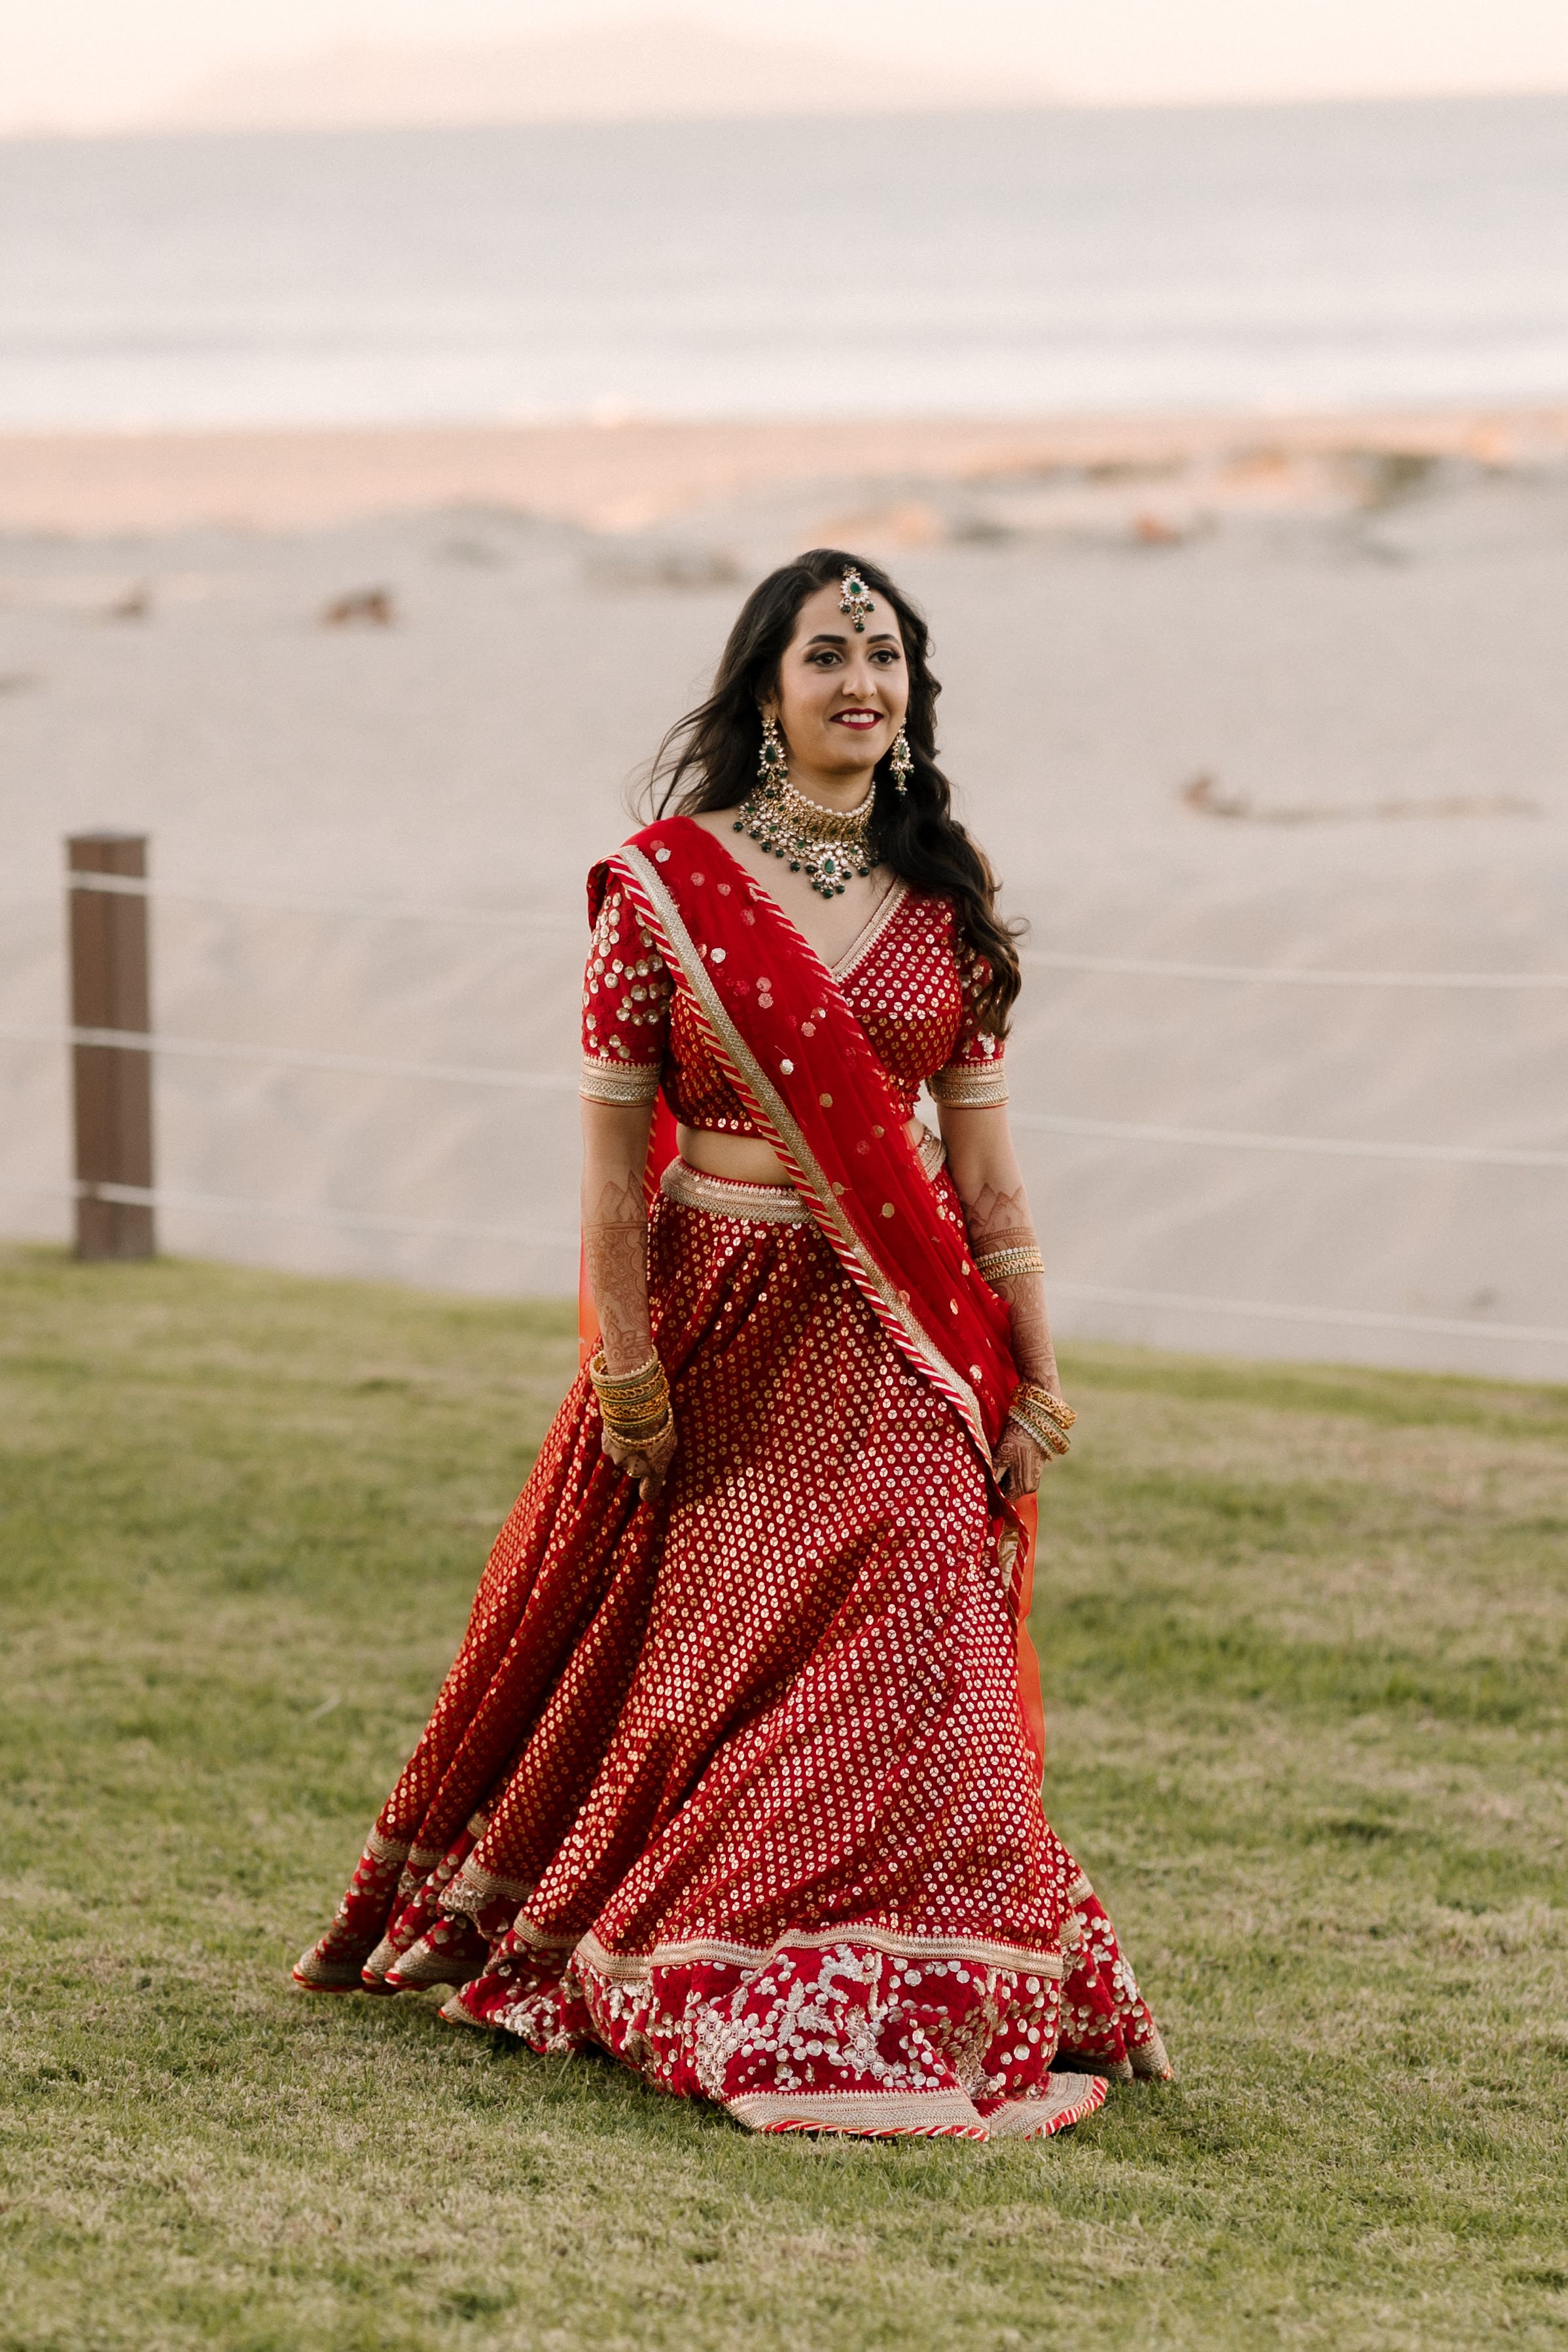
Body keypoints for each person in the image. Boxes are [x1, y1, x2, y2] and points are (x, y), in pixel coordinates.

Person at [293, 548, 1171, 2139]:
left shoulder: (943, 890)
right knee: (727, 1658)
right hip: (720, 1326)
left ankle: (942, 1980)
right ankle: (727, 1957)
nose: (862, 683)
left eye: (887, 656)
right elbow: (612, 1178)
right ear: (764, 684)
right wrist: (626, 1371)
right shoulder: (663, 889)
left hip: (899, 1333)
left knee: (932, 1634)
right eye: (828, 653)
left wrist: (1033, 1364)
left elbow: (984, 1170)